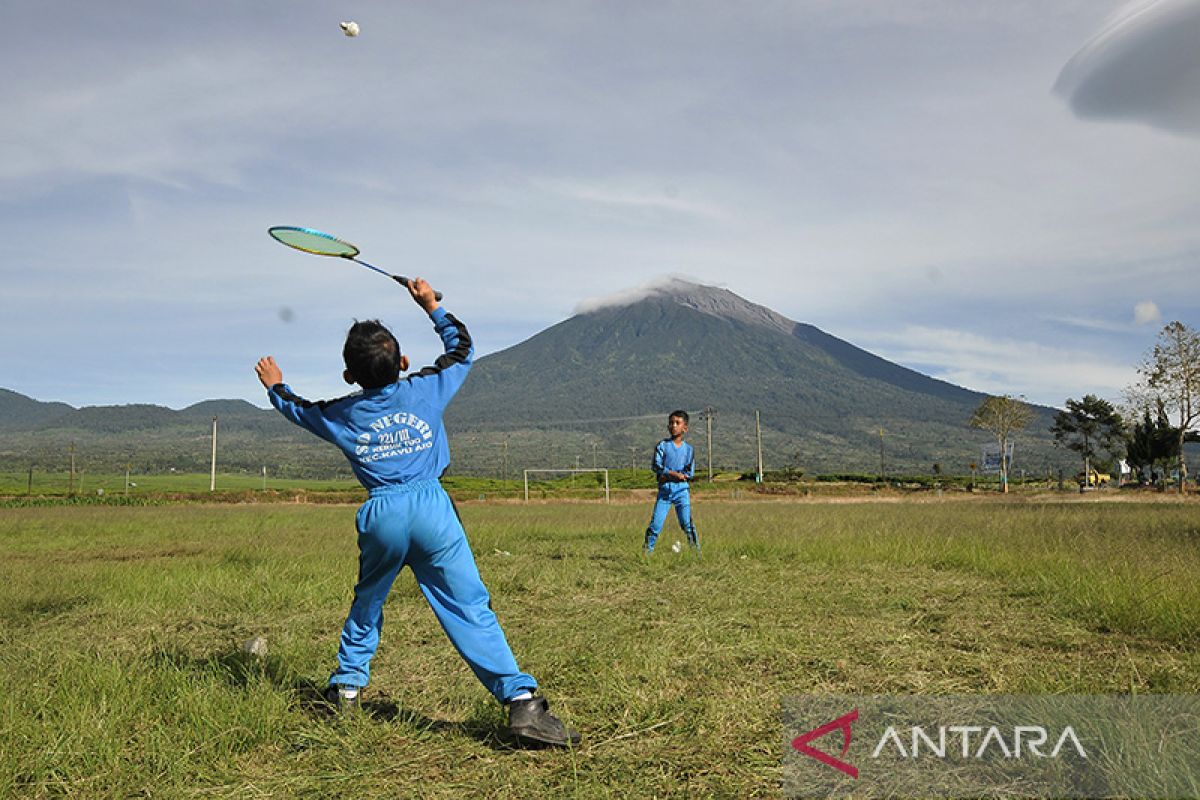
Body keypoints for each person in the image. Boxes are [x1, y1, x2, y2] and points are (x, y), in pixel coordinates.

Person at [254, 277, 579, 748]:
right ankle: (522, 702)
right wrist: (431, 307)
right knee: (468, 605)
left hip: (381, 514)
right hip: (432, 509)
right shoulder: (426, 388)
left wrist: (274, 385)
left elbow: (297, 408)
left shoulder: (342, 413)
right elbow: (463, 349)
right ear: (403, 362)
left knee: (368, 602)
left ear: (349, 377)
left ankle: (345, 689)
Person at [643, 410, 700, 554]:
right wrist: (673, 474)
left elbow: (688, 473)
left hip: (681, 492)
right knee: (656, 524)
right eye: (671, 423)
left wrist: (667, 474)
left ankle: (696, 552)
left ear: (685, 428)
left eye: (677, 423)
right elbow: (657, 466)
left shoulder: (689, 450)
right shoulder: (662, 446)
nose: (673, 426)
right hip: (665, 492)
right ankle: (646, 552)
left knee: (687, 524)